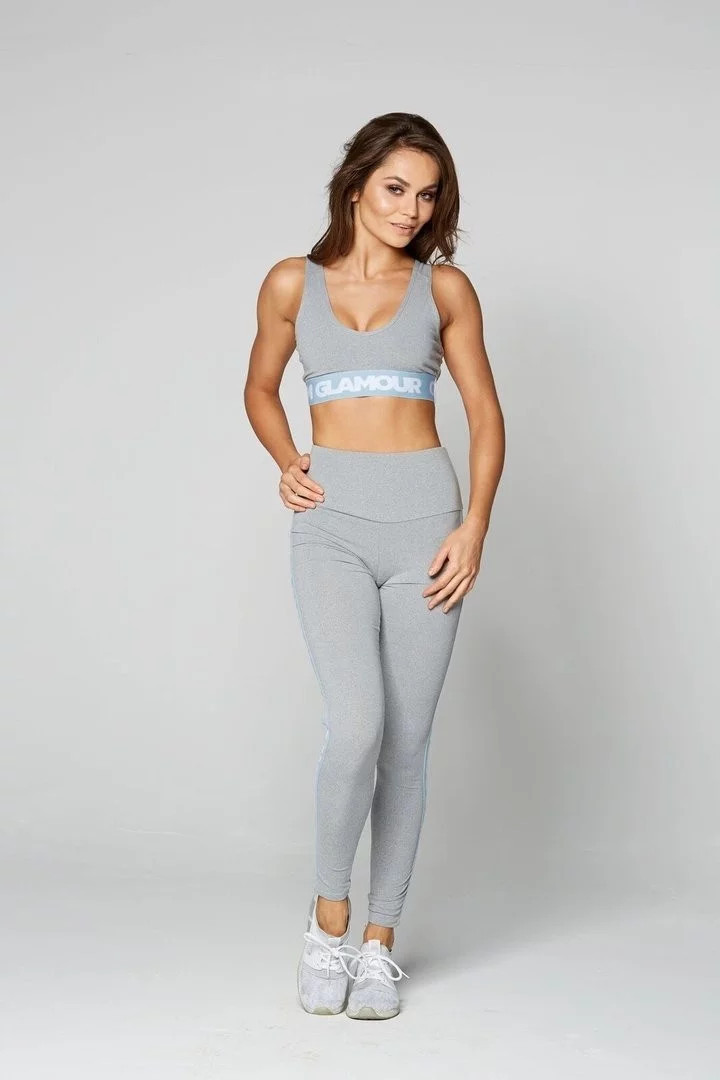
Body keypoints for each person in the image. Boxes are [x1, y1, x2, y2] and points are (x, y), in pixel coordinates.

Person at [244, 112, 505, 1019]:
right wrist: (287, 459)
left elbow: (485, 412)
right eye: (396, 187)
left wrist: (474, 526)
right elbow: (259, 386)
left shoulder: (446, 289)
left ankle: (380, 943)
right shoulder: (292, 281)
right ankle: (329, 922)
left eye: (428, 195)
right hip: (333, 526)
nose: (411, 208)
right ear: (355, 185)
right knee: (356, 725)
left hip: (427, 525)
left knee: (406, 742)